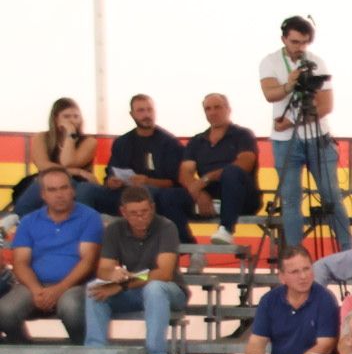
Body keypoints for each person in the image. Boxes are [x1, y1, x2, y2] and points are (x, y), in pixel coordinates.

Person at [259, 15, 351, 249]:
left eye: (304, 43)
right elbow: (270, 94)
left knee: (331, 195)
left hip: (317, 138)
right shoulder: (270, 62)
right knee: (291, 199)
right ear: (284, 39)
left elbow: (325, 105)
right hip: (284, 142)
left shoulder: (316, 62)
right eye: (295, 42)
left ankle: (346, 251)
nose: (300, 48)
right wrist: (290, 84)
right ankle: (294, 255)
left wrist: (290, 120)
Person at [83, 186, 185, 354]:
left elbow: (164, 273)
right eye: (134, 213)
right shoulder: (115, 229)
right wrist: (113, 276)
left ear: (152, 208)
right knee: (94, 288)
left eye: (144, 212)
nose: (140, 218)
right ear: (123, 212)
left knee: (155, 289)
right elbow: (103, 268)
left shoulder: (166, 227)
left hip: (170, 290)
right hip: (132, 288)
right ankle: (95, 353)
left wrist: (123, 285)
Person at [0, 168, 100, 344]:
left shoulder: (90, 217)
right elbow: (20, 263)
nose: (59, 195)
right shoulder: (29, 221)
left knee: (72, 307)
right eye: (52, 190)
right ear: (43, 195)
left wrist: (58, 290)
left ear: (72, 190)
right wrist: (37, 290)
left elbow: (88, 262)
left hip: (74, 285)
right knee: (4, 311)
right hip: (34, 286)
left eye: (63, 188)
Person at [92, 94, 196, 242]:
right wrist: (111, 181)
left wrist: (147, 181)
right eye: (141, 110)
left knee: (146, 193)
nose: (146, 115)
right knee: (86, 190)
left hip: (154, 195)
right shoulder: (122, 142)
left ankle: (144, 245)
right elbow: (111, 173)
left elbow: (174, 182)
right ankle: (86, 242)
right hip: (124, 194)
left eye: (149, 110)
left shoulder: (169, 143)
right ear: (132, 114)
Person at [180, 93, 263, 244]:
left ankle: (226, 229)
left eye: (217, 107)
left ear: (228, 109)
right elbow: (185, 172)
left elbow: (245, 163)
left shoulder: (242, 135)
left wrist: (206, 179)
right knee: (169, 196)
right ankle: (186, 248)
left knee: (231, 172)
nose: (212, 112)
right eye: (208, 109)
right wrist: (199, 193)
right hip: (209, 196)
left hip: (242, 197)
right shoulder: (197, 141)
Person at [8, 97, 101, 220]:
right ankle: (16, 221)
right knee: (43, 183)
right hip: (47, 179)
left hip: (76, 183)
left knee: (57, 184)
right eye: (67, 116)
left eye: (76, 116)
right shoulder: (41, 137)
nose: (72, 120)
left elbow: (67, 162)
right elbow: (42, 165)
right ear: (56, 119)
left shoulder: (89, 141)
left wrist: (70, 135)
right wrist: (78, 171)